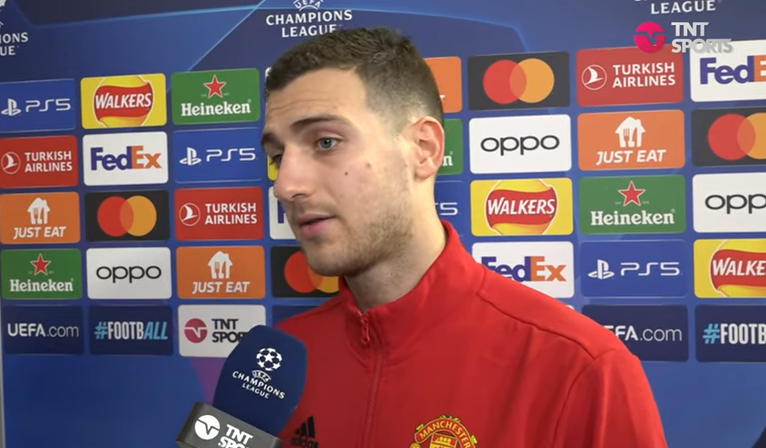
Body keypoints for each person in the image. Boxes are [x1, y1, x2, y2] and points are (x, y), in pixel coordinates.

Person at [261, 26, 668, 448]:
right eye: (277, 157)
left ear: (423, 149)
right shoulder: (272, 365)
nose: (286, 185)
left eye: (326, 142)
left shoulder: (580, 368)